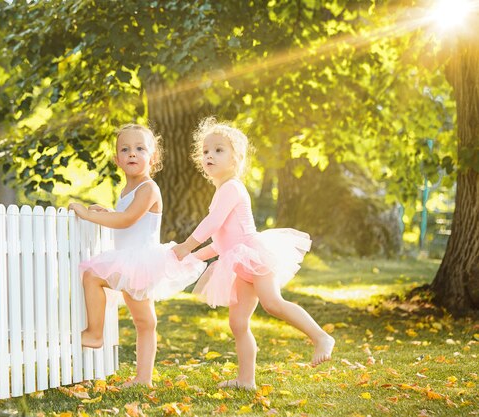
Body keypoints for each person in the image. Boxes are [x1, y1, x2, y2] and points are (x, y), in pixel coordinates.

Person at [172, 117, 335, 390]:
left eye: (218, 150)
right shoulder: (220, 191)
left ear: (235, 159)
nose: (210, 155)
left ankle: (321, 337)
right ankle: (246, 380)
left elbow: (211, 225)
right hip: (238, 264)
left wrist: (187, 245)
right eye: (206, 151)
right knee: (238, 323)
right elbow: (220, 243)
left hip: (255, 257)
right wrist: (192, 257)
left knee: (273, 303)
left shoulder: (233, 188)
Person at [69, 124, 205, 387]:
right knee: (145, 322)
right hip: (135, 262)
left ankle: (95, 333)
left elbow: (128, 220)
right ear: (117, 159)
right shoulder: (127, 191)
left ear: (153, 157)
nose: (132, 154)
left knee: (91, 275)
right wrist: (108, 212)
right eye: (125, 149)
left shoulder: (148, 188)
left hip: (140, 263)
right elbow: (126, 217)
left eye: (140, 149)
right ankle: (143, 379)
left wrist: (88, 215)